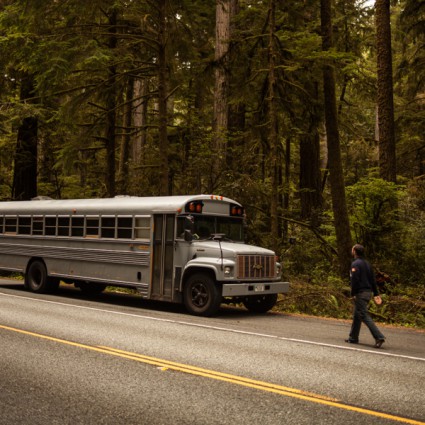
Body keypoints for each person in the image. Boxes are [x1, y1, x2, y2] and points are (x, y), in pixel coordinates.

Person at [345, 244, 386, 348]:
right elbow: (373, 280)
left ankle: (379, 337)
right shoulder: (368, 264)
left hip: (361, 293)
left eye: (352, 249)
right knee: (357, 314)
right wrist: (376, 293)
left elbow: (354, 280)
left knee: (363, 314)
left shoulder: (355, 264)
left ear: (354, 251)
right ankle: (353, 337)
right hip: (368, 293)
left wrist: (353, 293)